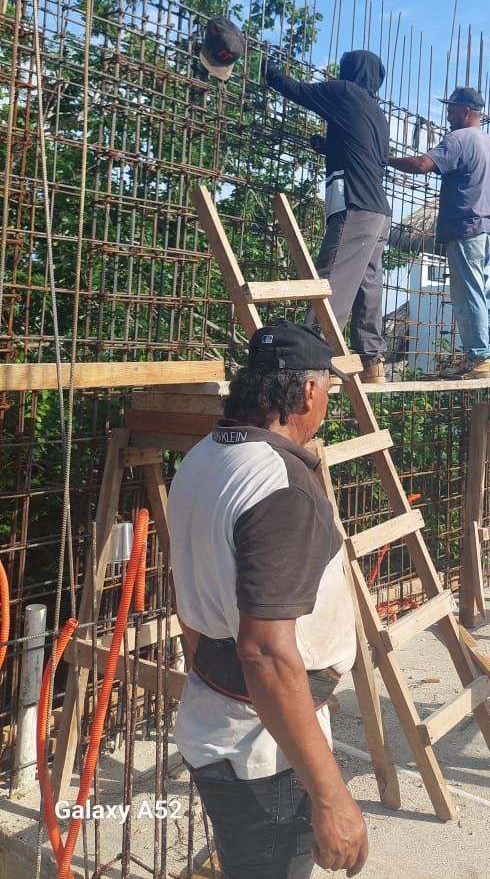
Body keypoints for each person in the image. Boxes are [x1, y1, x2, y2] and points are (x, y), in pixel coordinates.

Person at [168, 322, 368, 878]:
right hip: (265, 753)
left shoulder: (203, 457)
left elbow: (189, 599)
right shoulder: (281, 487)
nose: (327, 402)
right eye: (328, 389)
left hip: (219, 717)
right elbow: (266, 654)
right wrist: (331, 796)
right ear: (307, 392)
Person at [264, 50, 391, 385]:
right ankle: (372, 362)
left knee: (331, 280)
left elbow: (299, 91)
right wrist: (328, 145)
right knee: (368, 288)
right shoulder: (376, 112)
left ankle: (316, 362)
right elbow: (369, 157)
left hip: (356, 206)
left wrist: (270, 71)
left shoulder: (344, 93)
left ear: (351, 72)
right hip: (379, 211)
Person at [387, 86, 490, 380]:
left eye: (451, 108)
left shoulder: (459, 138)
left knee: (468, 294)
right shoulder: (488, 143)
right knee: (484, 292)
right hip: (487, 228)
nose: (447, 114)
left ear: (465, 111)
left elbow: (422, 164)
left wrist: (385, 159)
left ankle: (478, 359)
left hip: (466, 227)